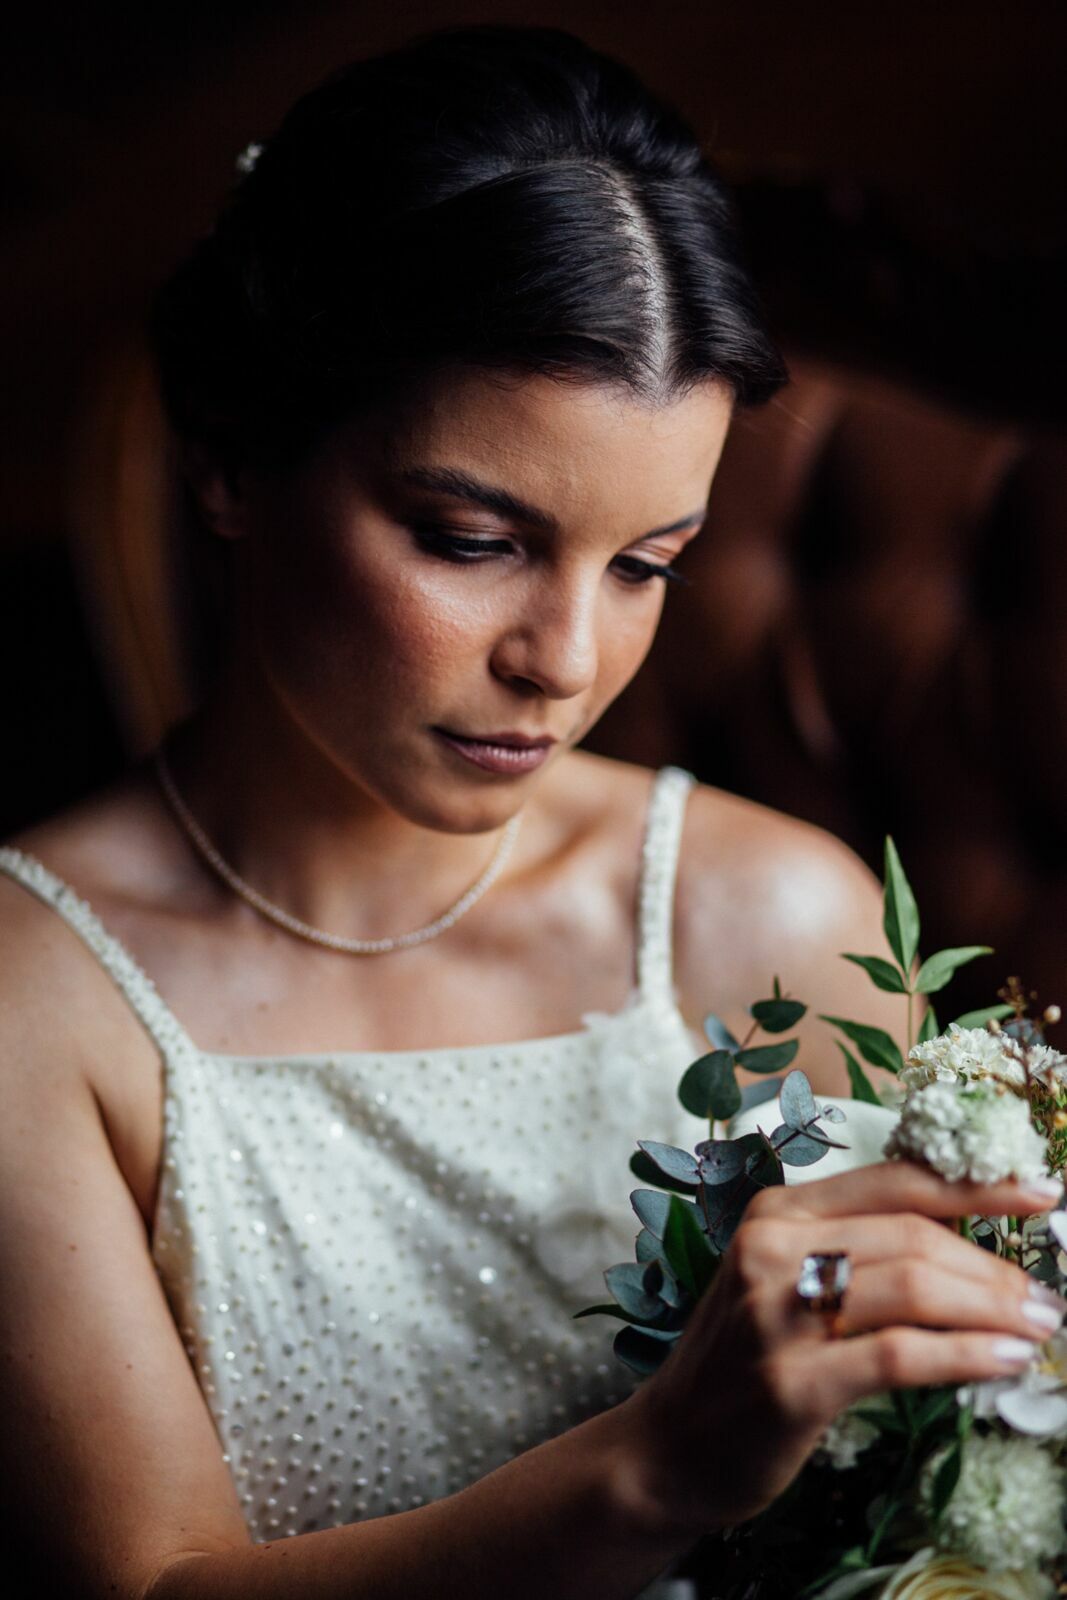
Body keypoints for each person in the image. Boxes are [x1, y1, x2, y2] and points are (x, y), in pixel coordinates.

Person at [0, 24, 1057, 1600]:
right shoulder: (38, 1005)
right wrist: (657, 1471)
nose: (565, 662)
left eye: (647, 565)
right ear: (231, 461)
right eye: (468, 536)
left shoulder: (776, 920)